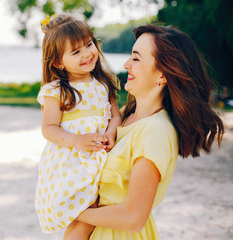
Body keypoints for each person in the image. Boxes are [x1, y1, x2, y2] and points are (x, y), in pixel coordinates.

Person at [67, 24, 225, 240]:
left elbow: (134, 217)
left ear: (162, 74)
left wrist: (73, 213)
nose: (126, 64)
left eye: (136, 59)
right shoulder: (122, 117)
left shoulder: (155, 131)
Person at [34, 13, 122, 238]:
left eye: (89, 44)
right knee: (84, 215)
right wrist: (76, 140)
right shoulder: (57, 91)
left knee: (95, 213)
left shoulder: (103, 83)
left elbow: (114, 115)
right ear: (58, 62)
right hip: (72, 160)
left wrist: (111, 131)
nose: (87, 53)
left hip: (100, 153)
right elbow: (49, 128)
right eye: (76, 51)